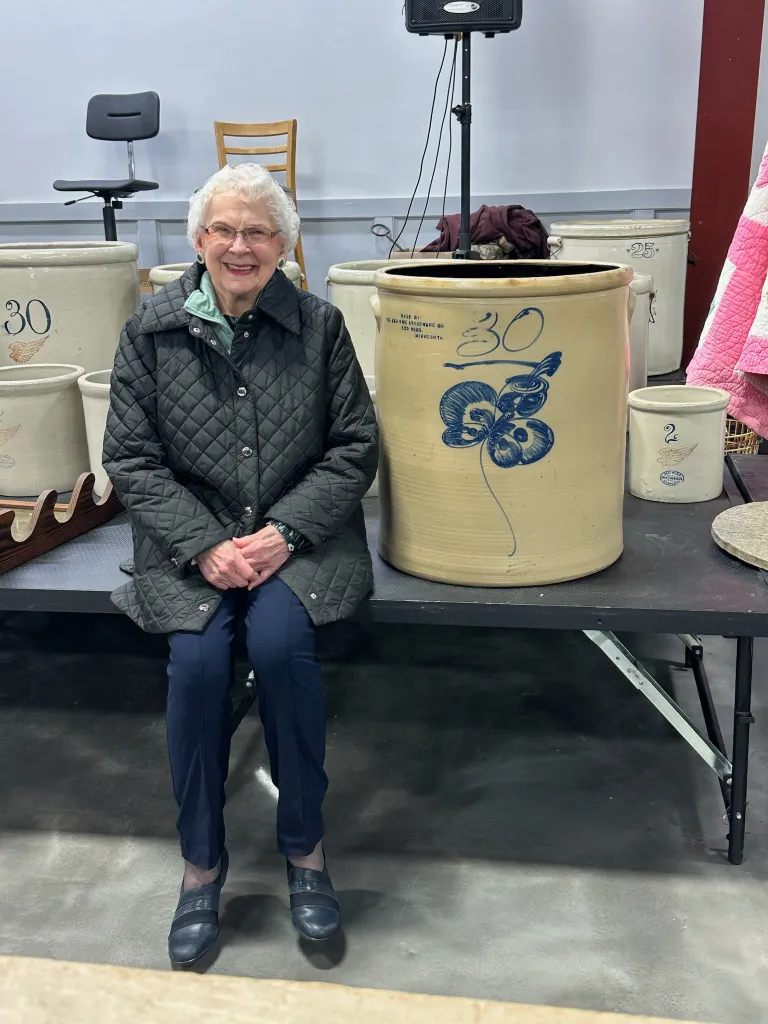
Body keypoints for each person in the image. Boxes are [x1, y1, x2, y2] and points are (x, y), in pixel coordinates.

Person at [103, 163, 378, 965]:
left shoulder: (320, 328)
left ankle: (306, 857)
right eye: (223, 229)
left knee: (282, 650)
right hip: (192, 543)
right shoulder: (149, 331)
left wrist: (286, 530)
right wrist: (202, 541)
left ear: (284, 245)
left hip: (300, 540)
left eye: (258, 231)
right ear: (197, 241)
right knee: (193, 667)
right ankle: (201, 866)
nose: (239, 245)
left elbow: (355, 448)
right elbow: (130, 458)